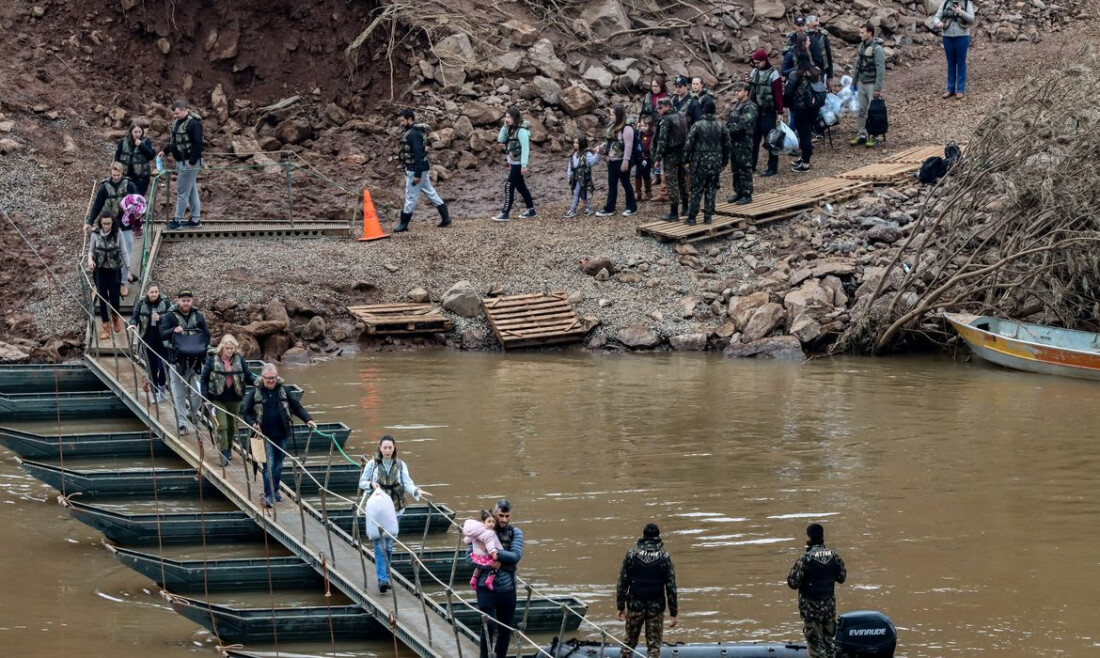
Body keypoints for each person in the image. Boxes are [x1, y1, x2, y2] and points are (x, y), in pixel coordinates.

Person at [358, 434, 432, 592]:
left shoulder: (400, 464)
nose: (387, 450)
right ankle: (383, 579)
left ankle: (385, 574)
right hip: (378, 509)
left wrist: (417, 491)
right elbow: (362, 483)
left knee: (389, 544)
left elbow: (407, 483)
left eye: (390, 447)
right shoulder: (372, 464)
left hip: (396, 508)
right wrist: (371, 484)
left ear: (394, 448)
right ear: (379, 448)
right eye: (384, 447)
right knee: (379, 543)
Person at [243, 363, 316, 508]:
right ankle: (269, 495)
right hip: (264, 436)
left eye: (273, 378)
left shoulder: (284, 390)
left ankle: (275, 490)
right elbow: (246, 412)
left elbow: (296, 407)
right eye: (268, 378)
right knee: (268, 466)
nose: (271, 381)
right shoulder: (255, 393)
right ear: (262, 377)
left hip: (282, 434)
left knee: (278, 466)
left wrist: (308, 419)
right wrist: (253, 423)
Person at [470, 498, 523, 658]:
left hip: (507, 589)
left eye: (507, 516)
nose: (504, 520)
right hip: (485, 588)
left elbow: (515, 556)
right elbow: (468, 558)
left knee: (505, 630)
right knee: (489, 626)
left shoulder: (515, 533)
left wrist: (496, 555)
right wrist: (491, 563)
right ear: (494, 513)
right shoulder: (480, 531)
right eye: (501, 516)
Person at [616, 523, 678, 658]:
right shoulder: (664, 557)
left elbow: (622, 583)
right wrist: (673, 613)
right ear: (658, 537)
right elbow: (671, 587)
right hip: (655, 608)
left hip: (634, 606)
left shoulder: (631, 554)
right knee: (654, 646)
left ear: (643, 536)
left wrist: (620, 607)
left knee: (628, 643)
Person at [787, 523, 847, 658]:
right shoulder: (834, 556)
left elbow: (792, 582)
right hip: (829, 610)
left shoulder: (806, 558)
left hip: (811, 610)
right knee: (829, 646)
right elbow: (842, 577)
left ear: (809, 538)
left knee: (816, 649)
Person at [159, 289, 211, 435]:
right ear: (178, 300)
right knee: (178, 394)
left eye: (188, 300)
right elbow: (162, 333)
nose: (186, 303)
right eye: (183, 300)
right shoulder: (169, 316)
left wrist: (203, 347)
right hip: (176, 360)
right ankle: (181, 424)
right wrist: (173, 330)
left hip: (196, 361)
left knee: (198, 393)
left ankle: (192, 414)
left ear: (191, 301)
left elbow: (207, 334)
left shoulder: (198, 316)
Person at [200, 334, 255, 466]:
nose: (229, 351)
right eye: (227, 348)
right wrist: (205, 398)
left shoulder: (239, 360)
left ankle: (229, 447)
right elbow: (204, 379)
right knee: (222, 426)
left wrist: (259, 382)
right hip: (218, 398)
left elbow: (247, 376)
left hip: (235, 398)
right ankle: (223, 452)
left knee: (232, 427)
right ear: (222, 348)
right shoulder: (212, 360)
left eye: (232, 348)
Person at [394, 108, 450, 233]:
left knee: (410, 196)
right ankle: (446, 218)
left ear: (410, 119)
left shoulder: (414, 134)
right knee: (431, 193)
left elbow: (419, 155)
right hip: (420, 169)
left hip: (415, 170)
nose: (401, 123)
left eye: (403, 120)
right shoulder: (412, 132)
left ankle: (403, 224)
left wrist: (417, 175)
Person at [683, 96, 729, 226]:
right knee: (711, 189)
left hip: (699, 162)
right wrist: (724, 161)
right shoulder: (721, 126)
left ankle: (692, 217)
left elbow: (688, 144)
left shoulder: (697, 126)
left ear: (703, 110)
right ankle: (708, 217)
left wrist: (685, 160)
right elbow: (727, 145)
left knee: (697, 189)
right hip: (716, 162)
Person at [159, 100, 204, 230]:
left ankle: (177, 220)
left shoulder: (194, 124)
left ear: (185, 110)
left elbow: (198, 144)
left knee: (182, 191)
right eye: (174, 114)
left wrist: (192, 162)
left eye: (177, 113)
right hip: (182, 162)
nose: (175, 116)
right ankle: (195, 219)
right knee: (191, 191)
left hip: (189, 163)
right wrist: (165, 150)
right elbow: (174, 141)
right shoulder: (177, 123)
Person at [86, 211, 131, 341]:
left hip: (114, 270)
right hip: (99, 271)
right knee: (102, 298)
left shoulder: (118, 233)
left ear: (112, 222)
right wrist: (90, 259)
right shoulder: (95, 234)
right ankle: (106, 326)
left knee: (115, 298)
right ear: (101, 223)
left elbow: (124, 252)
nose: (107, 226)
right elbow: (91, 250)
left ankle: (115, 317)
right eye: (104, 224)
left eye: (109, 223)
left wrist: (128, 270)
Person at [128, 283, 171, 403]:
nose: (154, 294)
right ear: (147, 292)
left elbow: (173, 316)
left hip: (163, 340)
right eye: (152, 292)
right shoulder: (141, 303)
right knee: (152, 368)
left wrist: (161, 318)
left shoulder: (165, 303)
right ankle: (155, 392)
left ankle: (162, 387)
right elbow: (135, 316)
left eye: (156, 292)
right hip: (148, 340)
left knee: (164, 367)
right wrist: (132, 323)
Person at [492, 106, 536, 222]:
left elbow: (526, 149)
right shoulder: (510, 128)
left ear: (515, 117)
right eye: (505, 117)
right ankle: (531, 210)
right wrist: (505, 126)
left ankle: (505, 213)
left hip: (518, 164)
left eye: (509, 117)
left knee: (509, 186)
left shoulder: (522, 131)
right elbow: (501, 139)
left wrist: (524, 165)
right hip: (513, 162)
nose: (506, 119)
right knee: (521, 187)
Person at [596, 105, 638, 217]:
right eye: (610, 114)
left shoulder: (627, 128)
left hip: (621, 160)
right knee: (612, 184)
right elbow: (609, 142)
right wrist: (600, 147)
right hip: (611, 160)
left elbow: (628, 146)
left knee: (626, 183)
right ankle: (610, 208)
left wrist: (625, 162)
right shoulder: (613, 127)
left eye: (612, 114)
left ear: (618, 115)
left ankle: (632, 207)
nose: (611, 116)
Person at [785, 44, 821, 173]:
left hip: (800, 109)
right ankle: (804, 157)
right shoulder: (815, 73)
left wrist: (787, 104)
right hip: (814, 107)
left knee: (804, 135)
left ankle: (805, 163)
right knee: (807, 133)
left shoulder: (795, 75)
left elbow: (788, 93)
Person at [748, 49, 784, 177]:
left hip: (768, 112)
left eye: (758, 62)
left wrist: (780, 111)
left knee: (771, 141)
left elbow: (778, 93)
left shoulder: (774, 74)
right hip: (755, 112)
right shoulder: (754, 72)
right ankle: (751, 165)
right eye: (755, 62)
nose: (756, 64)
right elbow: (751, 90)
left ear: (764, 61)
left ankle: (772, 168)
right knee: (754, 140)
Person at [849, 23, 886, 148]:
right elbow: (858, 65)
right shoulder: (861, 46)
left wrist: (878, 88)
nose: (860, 35)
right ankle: (862, 133)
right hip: (862, 82)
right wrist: (854, 82)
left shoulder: (877, 49)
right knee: (862, 110)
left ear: (870, 33)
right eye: (860, 32)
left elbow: (880, 69)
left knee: (873, 111)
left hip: (872, 83)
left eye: (862, 32)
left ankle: (875, 136)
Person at [652, 97, 688, 222]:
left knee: (672, 182)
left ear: (667, 106)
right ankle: (686, 207)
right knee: (682, 180)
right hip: (682, 153)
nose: (658, 111)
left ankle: (674, 213)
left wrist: (657, 158)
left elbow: (662, 141)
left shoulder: (666, 120)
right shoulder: (681, 116)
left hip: (671, 155)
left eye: (660, 108)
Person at [934, 0, 975, 100]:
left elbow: (971, 19)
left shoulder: (966, 3)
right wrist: (938, 23)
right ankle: (950, 89)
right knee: (951, 62)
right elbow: (936, 17)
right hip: (947, 36)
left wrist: (961, 12)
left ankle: (960, 89)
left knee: (961, 62)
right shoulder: (945, 3)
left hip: (962, 36)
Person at [725, 82, 758, 205]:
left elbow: (744, 123)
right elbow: (730, 121)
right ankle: (738, 191)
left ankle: (747, 193)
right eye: (735, 90)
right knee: (735, 168)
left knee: (745, 168)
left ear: (746, 92)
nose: (736, 92)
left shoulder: (750, 107)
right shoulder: (736, 105)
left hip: (744, 141)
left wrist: (729, 130)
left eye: (739, 90)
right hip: (734, 142)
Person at [462, 509, 502, 590]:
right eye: (489, 521)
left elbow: (467, 540)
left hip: (476, 557)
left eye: (493, 522)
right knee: (496, 566)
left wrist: (467, 540)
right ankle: (489, 581)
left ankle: (473, 579)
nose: (491, 524)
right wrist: (494, 553)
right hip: (485, 557)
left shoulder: (475, 531)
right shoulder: (489, 533)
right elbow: (490, 546)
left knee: (479, 567)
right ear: (483, 522)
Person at [115, 121, 157, 196]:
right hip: (126, 177)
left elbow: (151, 155)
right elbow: (117, 158)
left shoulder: (146, 142)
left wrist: (141, 145)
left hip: (141, 179)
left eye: (139, 132)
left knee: (138, 199)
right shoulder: (123, 142)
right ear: (131, 132)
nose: (137, 134)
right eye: (135, 132)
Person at [565, 135, 598, 218]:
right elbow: (570, 165)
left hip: (583, 178)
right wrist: (569, 175)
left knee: (576, 192)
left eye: (577, 143)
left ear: (582, 143)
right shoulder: (574, 154)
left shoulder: (587, 153)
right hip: (575, 177)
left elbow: (592, 162)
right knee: (582, 194)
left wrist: (597, 153)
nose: (575, 144)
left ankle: (573, 210)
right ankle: (588, 208)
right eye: (574, 143)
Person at [807, 16, 834, 84]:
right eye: (814, 26)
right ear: (808, 25)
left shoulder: (822, 35)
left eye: (817, 25)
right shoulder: (804, 36)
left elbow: (828, 54)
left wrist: (830, 75)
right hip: (808, 68)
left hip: (822, 69)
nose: (816, 28)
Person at [634, 115, 654, 202]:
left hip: (647, 158)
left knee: (646, 175)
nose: (643, 128)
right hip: (639, 158)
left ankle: (648, 192)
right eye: (641, 126)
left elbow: (650, 147)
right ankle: (637, 193)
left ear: (649, 126)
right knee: (638, 174)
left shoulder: (652, 136)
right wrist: (637, 128)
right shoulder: (639, 134)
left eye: (645, 126)